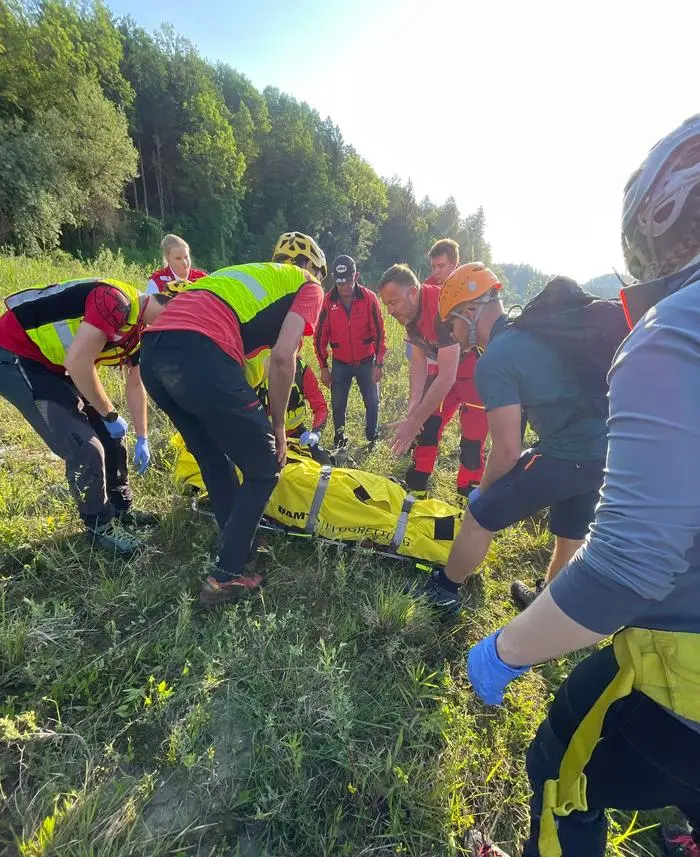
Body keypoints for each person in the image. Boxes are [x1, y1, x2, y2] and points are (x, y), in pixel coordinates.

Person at [463, 114, 700, 857]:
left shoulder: (672, 333)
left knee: (557, 768)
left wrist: (505, 650)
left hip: (685, 677)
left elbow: (627, 566)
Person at [139, 231, 327, 607]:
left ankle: (236, 543)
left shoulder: (247, 274)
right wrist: (276, 427)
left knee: (212, 457)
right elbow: (283, 357)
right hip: (199, 350)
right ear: (313, 267)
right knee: (265, 467)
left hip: (154, 354)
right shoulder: (309, 286)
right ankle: (226, 575)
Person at [410, 262, 608, 613]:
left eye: (452, 322)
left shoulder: (496, 357)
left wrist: (484, 493)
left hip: (567, 452)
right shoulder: (529, 331)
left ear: (470, 311)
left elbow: (506, 450)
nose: (452, 333)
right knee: (570, 533)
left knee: (479, 515)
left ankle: (444, 591)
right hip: (603, 451)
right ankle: (545, 604)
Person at [0, 277, 168, 553]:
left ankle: (120, 506)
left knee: (111, 436)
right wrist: (110, 415)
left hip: (54, 365)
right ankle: (99, 527)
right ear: (168, 308)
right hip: (15, 354)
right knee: (84, 445)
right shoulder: (115, 301)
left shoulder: (140, 329)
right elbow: (78, 362)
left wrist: (142, 437)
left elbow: (135, 385)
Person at [378, 263, 488, 501]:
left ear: (412, 293)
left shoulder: (441, 306)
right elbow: (419, 362)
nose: (389, 310)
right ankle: (417, 487)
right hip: (443, 370)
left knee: (473, 438)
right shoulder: (409, 314)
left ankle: (467, 494)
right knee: (427, 427)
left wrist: (414, 420)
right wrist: (413, 408)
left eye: (393, 302)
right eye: (386, 304)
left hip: (474, 373)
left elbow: (448, 375)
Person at [314, 255, 385, 450]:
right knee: (338, 405)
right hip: (340, 363)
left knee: (372, 402)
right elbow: (319, 337)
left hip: (366, 361)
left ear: (356, 276)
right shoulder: (328, 301)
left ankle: (372, 438)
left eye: (347, 281)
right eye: (339, 282)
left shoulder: (369, 299)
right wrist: (323, 367)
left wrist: (378, 363)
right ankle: (339, 440)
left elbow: (379, 334)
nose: (343, 287)